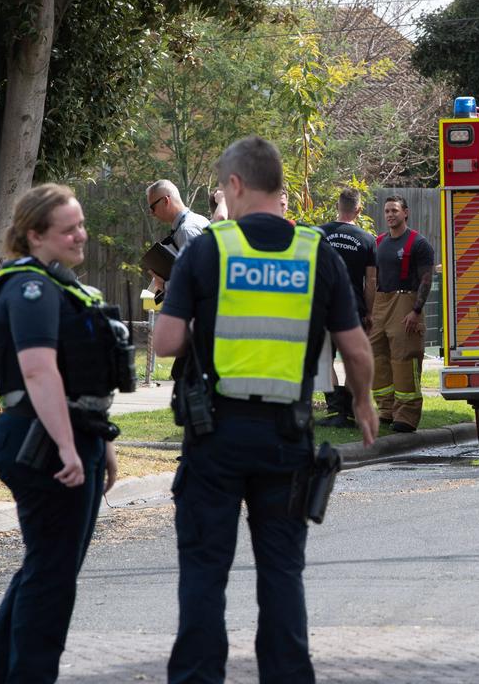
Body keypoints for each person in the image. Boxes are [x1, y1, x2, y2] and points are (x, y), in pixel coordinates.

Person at [153, 136, 377, 683]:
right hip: (287, 438)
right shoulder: (315, 251)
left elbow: (164, 342)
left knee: (205, 573)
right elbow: (355, 346)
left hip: (215, 436)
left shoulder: (210, 250)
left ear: (234, 185)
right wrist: (365, 401)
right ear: (278, 184)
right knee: (281, 572)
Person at [0, 183, 125, 682]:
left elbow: (83, 379)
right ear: (35, 235)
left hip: (72, 435)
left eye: (81, 225)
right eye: (69, 229)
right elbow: (39, 373)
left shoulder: (59, 285)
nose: (81, 236)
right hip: (41, 441)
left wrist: (101, 442)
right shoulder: (30, 288)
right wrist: (67, 447)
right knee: (52, 577)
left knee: (45, 568)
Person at [368, 195, 435, 434]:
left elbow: (426, 279)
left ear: (405, 212)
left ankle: (406, 415)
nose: (389, 215)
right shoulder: (379, 242)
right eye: (387, 211)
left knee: (404, 359)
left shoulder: (419, 244)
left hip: (406, 302)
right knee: (377, 357)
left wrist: (415, 311)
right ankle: (386, 410)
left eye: (394, 210)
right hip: (381, 303)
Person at [319, 188, 377, 428]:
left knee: (324, 360)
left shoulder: (318, 234)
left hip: (322, 307)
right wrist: (369, 311)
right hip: (353, 308)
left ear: (337, 206)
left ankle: (335, 411)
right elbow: (371, 281)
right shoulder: (367, 239)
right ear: (359, 210)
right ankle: (350, 411)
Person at [146, 179, 211, 296]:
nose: (152, 213)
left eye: (153, 207)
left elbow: (199, 280)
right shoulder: (198, 220)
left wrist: (163, 285)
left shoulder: (186, 230)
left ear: (166, 200)